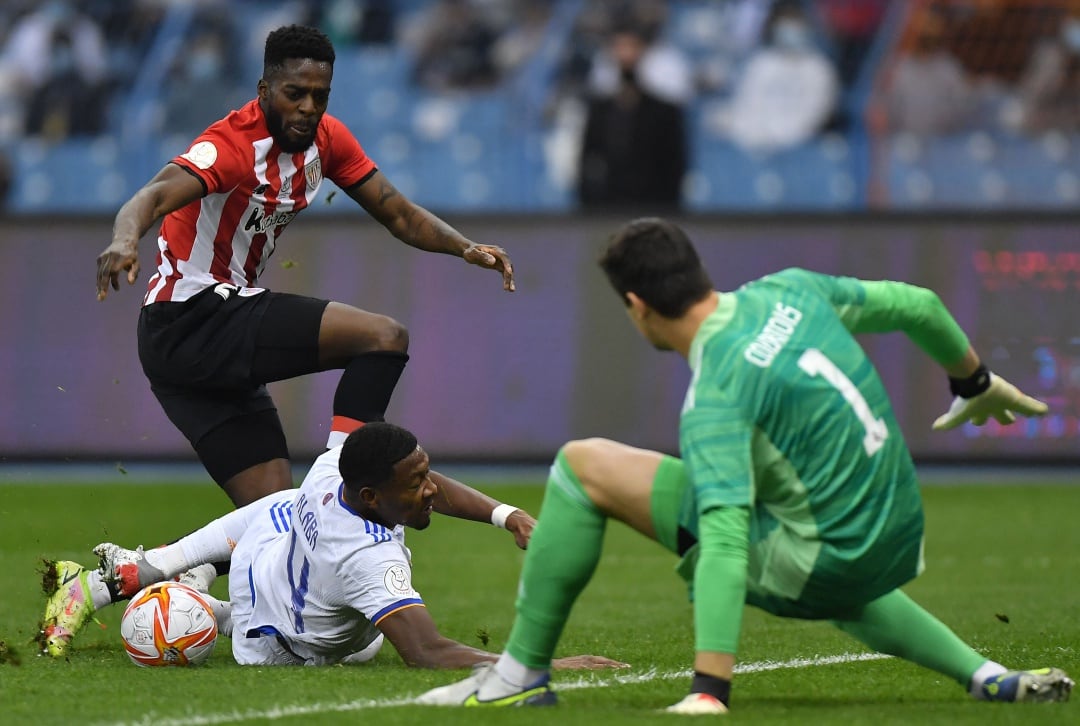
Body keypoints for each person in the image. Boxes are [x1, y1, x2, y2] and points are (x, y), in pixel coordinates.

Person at [418, 217, 1073, 711]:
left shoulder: (717, 395)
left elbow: (726, 540)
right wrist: (975, 381)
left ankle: (518, 678)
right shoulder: (791, 291)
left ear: (638, 307)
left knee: (579, 466)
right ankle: (986, 676)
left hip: (829, 560)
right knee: (810, 534)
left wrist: (711, 689)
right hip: (897, 530)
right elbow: (920, 305)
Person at [94, 25, 515, 510]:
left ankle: (125, 578)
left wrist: (463, 247)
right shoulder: (230, 145)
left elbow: (398, 214)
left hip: (199, 342)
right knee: (383, 338)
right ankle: (341, 475)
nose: (309, 107)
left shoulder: (328, 141)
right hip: (191, 313)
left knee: (273, 519)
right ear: (264, 90)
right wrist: (125, 240)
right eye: (295, 94)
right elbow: (150, 196)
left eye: (320, 95)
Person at [40, 422, 624, 671]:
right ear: (371, 496)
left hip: (267, 566)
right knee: (362, 645)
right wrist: (547, 664)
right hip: (282, 647)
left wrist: (507, 515)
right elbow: (428, 652)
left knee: (281, 505)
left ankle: (178, 586)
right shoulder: (370, 559)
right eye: (416, 484)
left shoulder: (331, 470)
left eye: (427, 475)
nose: (430, 490)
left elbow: (423, 481)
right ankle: (112, 587)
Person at [577, 21, 687, 211]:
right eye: (620, 47)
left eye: (632, 47)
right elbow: (587, 160)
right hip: (608, 209)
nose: (626, 55)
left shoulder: (666, 112)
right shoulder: (599, 111)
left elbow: (675, 166)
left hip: (653, 208)